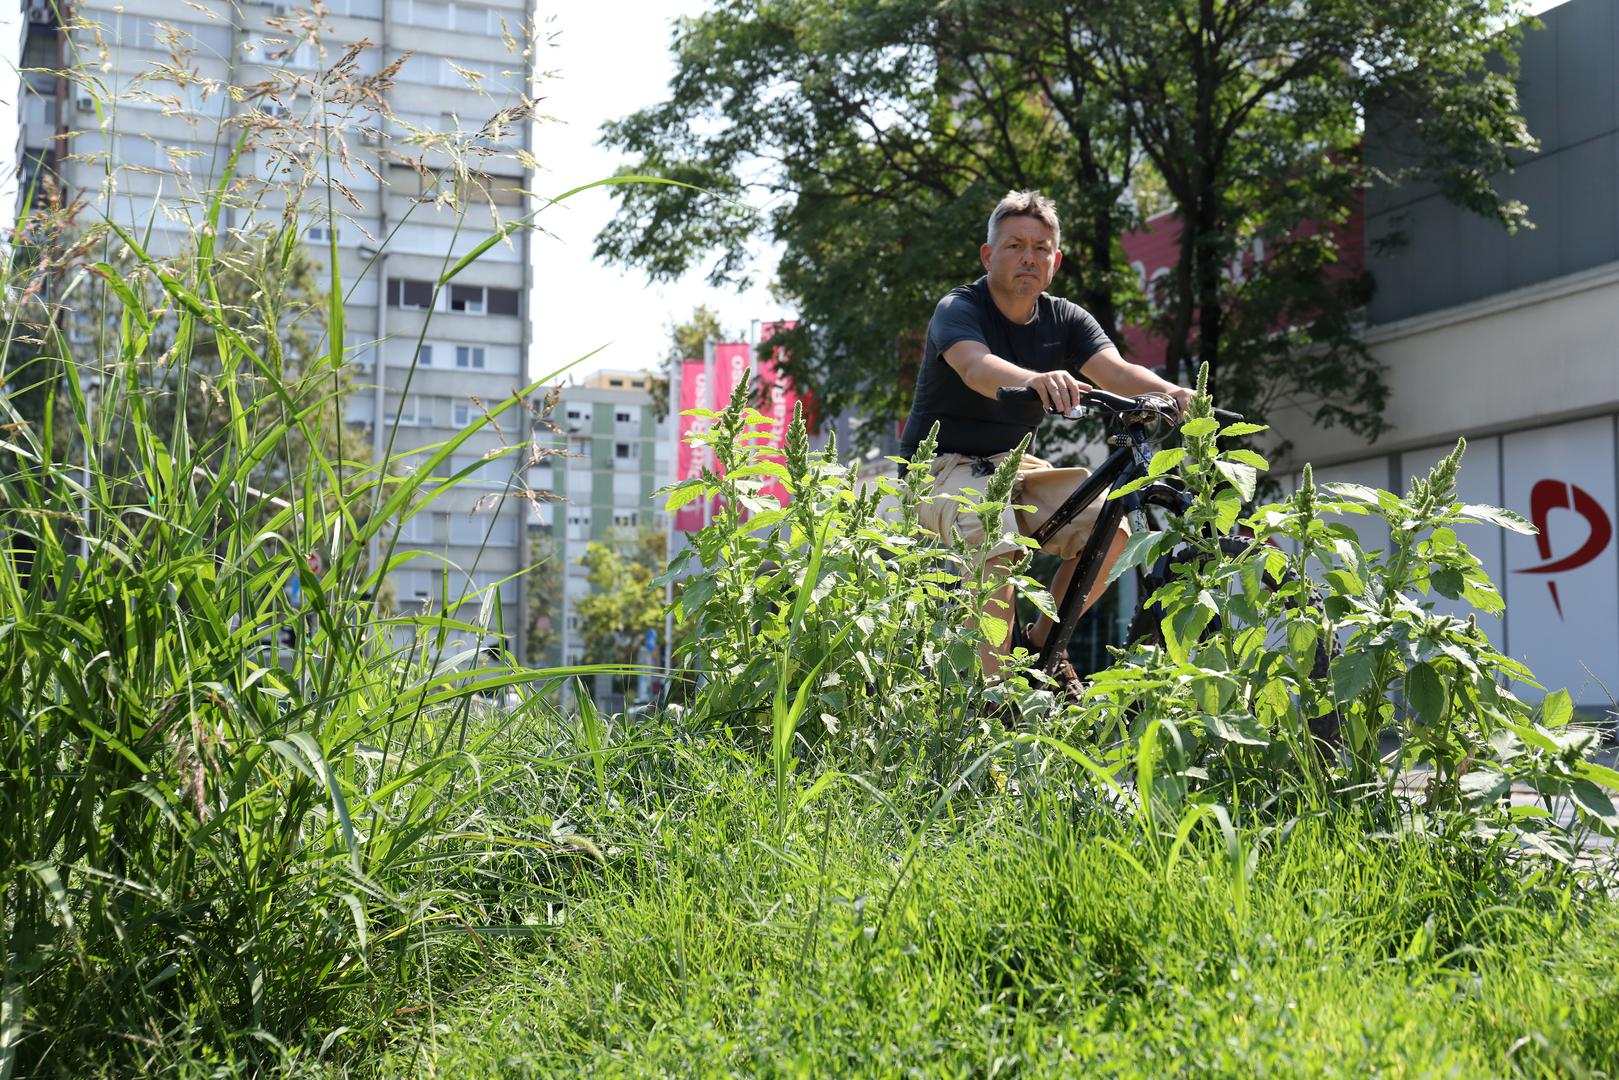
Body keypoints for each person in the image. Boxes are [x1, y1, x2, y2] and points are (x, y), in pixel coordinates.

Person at [899, 189, 1196, 694]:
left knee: (1112, 533)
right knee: (993, 535)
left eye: (1041, 248)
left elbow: (1117, 371)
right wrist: (1034, 379)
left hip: (1011, 465)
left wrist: (1174, 392)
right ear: (988, 256)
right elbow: (975, 368)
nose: (1029, 257)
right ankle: (996, 699)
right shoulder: (959, 308)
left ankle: (1044, 649)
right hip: (939, 466)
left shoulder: (1065, 319)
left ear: (1055, 263)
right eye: (1015, 245)